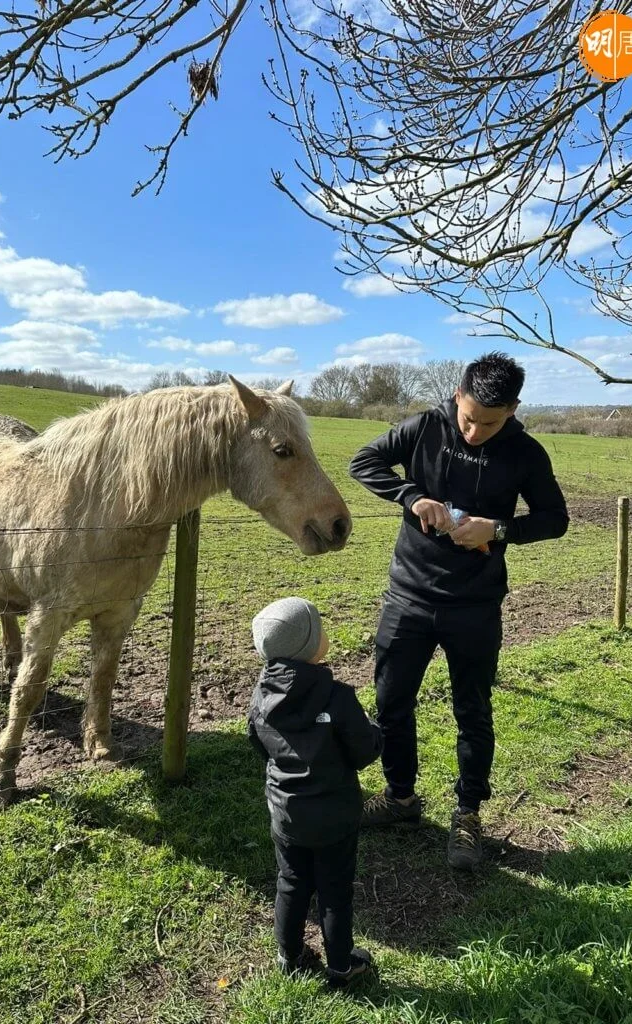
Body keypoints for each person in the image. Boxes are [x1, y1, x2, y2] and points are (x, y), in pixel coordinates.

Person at [349, 352, 569, 870]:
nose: (473, 432)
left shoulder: (525, 453)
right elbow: (363, 462)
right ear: (457, 396)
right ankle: (400, 798)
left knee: (472, 711)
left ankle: (468, 814)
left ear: (513, 410)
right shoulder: (425, 427)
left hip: (475, 605)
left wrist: (498, 529)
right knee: (391, 703)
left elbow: (555, 519)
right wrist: (411, 497)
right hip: (408, 596)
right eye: (468, 418)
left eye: (488, 424)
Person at [247, 596, 383, 987]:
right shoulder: (338, 697)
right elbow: (364, 752)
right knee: (334, 891)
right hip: (335, 817)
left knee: (291, 882)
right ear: (308, 646)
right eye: (319, 628)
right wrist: (375, 731)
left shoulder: (261, 696)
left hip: (286, 814)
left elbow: (258, 742)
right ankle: (342, 966)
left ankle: (289, 957)